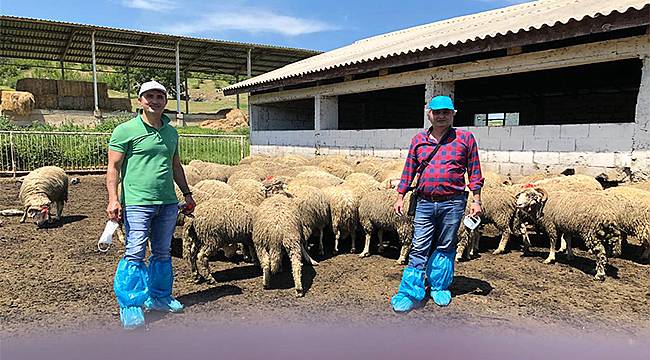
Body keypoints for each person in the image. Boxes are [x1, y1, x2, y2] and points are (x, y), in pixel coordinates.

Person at [106, 80, 196, 329]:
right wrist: (113, 199)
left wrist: (187, 194)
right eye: (149, 96)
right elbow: (113, 168)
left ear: (165, 101)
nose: (154, 101)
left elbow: (175, 165)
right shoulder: (125, 130)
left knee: (162, 252)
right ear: (140, 101)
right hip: (137, 202)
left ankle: (159, 297)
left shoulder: (171, 132)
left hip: (167, 202)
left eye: (159, 96)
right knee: (135, 251)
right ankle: (131, 304)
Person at [391, 95, 483, 312]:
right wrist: (400, 195)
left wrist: (476, 200)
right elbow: (409, 170)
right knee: (419, 246)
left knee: (445, 245)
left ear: (453, 114)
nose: (441, 116)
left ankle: (439, 286)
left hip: (453, 203)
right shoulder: (418, 140)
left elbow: (475, 171)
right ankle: (410, 292)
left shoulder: (465, 138)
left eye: (446, 112)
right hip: (424, 202)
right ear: (429, 114)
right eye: (437, 112)